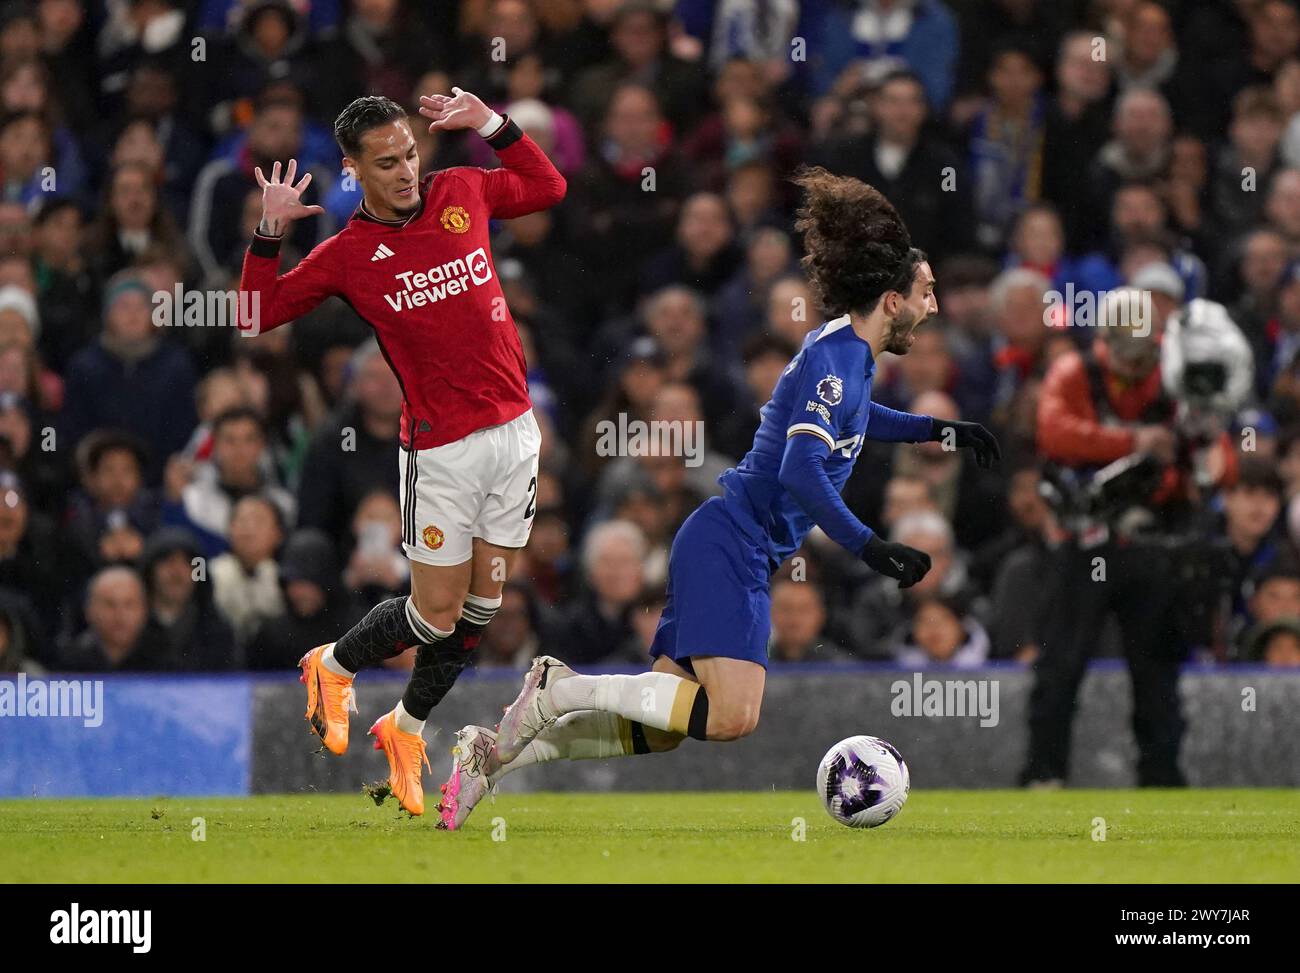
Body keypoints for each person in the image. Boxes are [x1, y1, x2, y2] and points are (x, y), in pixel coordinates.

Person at [435, 168, 1000, 829]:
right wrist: (868, 544)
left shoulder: (846, 353)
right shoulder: (836, 360)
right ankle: (560, 688)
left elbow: (856, 415)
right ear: (894, 299)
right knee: (731, 716)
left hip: (734, 545)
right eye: (927, 293)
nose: (935, 306)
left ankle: (491, 756)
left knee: (673, 723)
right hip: (730, 542)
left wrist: (937, 428)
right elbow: (800, 467)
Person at [238, 86, 565, 816]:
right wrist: (268, 234)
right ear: (353, 169)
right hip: (441, 449)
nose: (406, 171)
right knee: (435, 614)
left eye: (411, 153)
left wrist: (491, 124)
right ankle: (332, 664)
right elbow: (255, 315)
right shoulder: (350, 254)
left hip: (515, 433)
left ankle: (405, 728)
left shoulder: (462, 190)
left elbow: (550, 185)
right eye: (386, 163)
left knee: (481, 609)